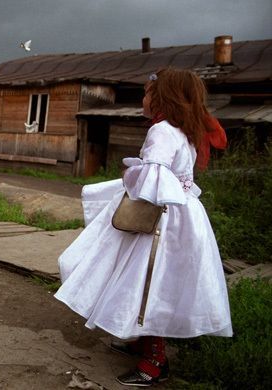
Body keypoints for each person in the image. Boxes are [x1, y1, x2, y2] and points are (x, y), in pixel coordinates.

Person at [54, 68, 232, 387]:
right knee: (158, 282)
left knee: (147, 282)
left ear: (162, 97)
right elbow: (175, 175)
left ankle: (154, 361)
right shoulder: (186, 130)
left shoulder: (162, 130)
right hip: (183, 215)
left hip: (159, 218)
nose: (143, 98)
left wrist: (132, 174)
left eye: (147, 93)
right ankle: (140, 341)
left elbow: (153, 180)